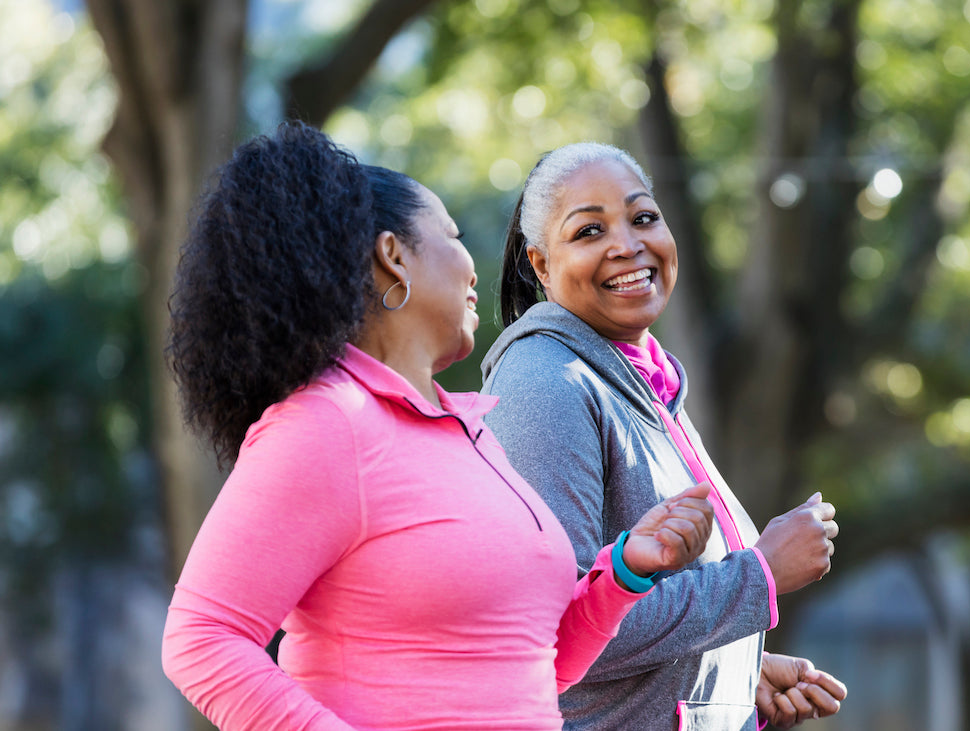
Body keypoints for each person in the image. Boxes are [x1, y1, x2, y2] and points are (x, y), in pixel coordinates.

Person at [159, 123, 715, 731]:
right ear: (394, 256)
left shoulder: (470, 432)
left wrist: (625, 571)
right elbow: (202, 638)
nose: (474, 270)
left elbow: (532, 665)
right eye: (452, 237)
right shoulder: (327, 423)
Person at [481, 142, 848, 731]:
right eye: (590, 230)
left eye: (643, 217)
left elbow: (641, 620)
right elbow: (560, 628)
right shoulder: (546, 382)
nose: (627, 245)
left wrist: (732, 673)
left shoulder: (644, 379)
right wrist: (759, 576)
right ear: (542, 265)